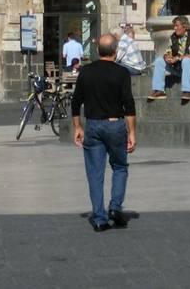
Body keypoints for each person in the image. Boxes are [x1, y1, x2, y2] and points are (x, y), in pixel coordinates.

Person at [70, 33, 135, 233]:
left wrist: (78, 127)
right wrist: (132, 132)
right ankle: (115, 207)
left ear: (98, 50)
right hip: (115, 125)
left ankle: (99, 218)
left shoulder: (86, 72)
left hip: (93, 126)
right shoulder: (122, 73)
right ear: (116, 51)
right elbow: (129, 104)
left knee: (95, 173)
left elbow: (75, 101)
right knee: (120, 167)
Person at [147, 15, 190, 102]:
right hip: (178, 68)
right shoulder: (173, 37)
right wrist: (167, 57)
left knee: (186, 60)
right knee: (159, 60)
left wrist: (178, 58)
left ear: (184, 26)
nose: (174, 28)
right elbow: (168, 51)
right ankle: (159, 90)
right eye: (174, 26)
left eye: (177, 26)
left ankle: (187, 91)